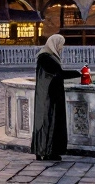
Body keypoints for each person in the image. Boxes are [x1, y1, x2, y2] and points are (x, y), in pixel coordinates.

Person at [32, 34, 82, 162]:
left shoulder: (48, 57)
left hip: (50, 96)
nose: (61, 47)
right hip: (49, 98)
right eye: (60, 44)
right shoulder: (45, 58)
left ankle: (46, 151)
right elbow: (58, 74)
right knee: (49, 123)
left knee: (49, 123)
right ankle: (47, 152)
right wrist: (78, 74)